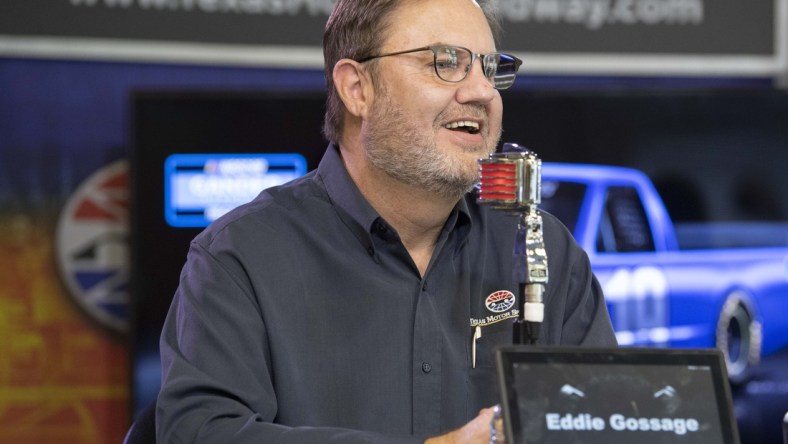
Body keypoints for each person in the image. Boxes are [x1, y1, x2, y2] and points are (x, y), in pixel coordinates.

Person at [156, 0, 617, 442]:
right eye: (445, 61)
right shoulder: (241, 257)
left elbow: (611, 419)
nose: (481, 92)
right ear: (358, 88)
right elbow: (201, 433)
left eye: (490, 68)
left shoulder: (545, 249)